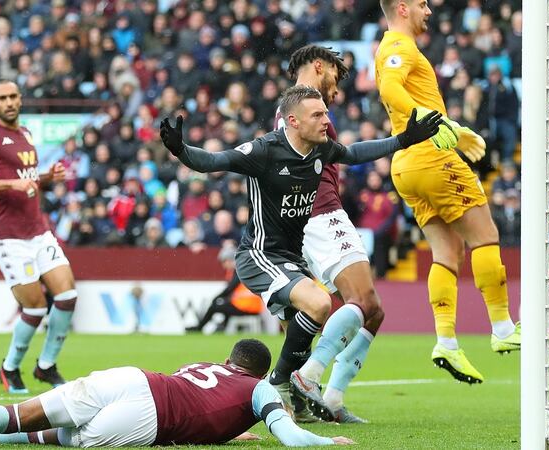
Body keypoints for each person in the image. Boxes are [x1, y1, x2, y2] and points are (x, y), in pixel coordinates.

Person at [160, 85, 441, 419]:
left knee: (307, 333)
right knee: (321, 302)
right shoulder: (265, 150)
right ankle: (279, 382)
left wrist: (401, 140)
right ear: (292, 121)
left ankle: (296, 399)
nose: (326, 120)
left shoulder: (320, 150)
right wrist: (181, 150)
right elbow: (215, 161)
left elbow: (353, 153)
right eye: (318, 115)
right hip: (259, 255)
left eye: (325, 112)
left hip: (292, 259)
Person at [375, 0, 520, 384]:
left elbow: (411, 100)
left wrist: (454, 128)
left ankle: (447, 342)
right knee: (485, 236)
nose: (429, 10)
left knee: (448, 252)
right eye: (422, 4)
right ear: (402, 8)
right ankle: (504, 328)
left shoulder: (401, 48)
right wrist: (427, 119)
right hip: (431, 160)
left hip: (406, 166)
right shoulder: (398, 47)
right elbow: (389, 87)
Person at [0, 339, 354, 448]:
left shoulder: (203, 366)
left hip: (134, 378)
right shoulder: (260, 390)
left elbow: (203, 401)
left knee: (19, 414)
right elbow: (289, 436)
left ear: (230, 359)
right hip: (149, 418)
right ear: (260, 371)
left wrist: (232, 433)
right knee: (47, 440)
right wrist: (328, 443)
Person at [277, 45, 387, 424]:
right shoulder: (299, 112)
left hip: (306, 219)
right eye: (335, 79)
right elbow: (348, 154)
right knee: (363, 299)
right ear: (318, 67)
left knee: (373, 312)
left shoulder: (294, 111)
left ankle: (332, 398)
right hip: (322, 213)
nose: (337, 92)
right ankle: (307, 378)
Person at [0, 78, 76, 393]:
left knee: (67, 296)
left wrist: (46, 177)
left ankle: (46, 366)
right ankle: (9, 367)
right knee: (36, 307)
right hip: (9, 238)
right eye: (2, 98)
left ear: (21, 99)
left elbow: (24, 179)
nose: (9, 102)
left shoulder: (25, 134)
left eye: (13, 96)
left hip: (39, 232)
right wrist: (11, 184)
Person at [188, 245, 265, 333]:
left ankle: (199, 328)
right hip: (252, 307)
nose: (223, 266)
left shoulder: (238, 271)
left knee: (214, 307)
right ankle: (221, 328)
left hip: (245, 307)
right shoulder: (245, 268)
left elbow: (229, 289)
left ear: (229, 260)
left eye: (223, 262)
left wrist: (216, 298)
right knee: (226, 305)